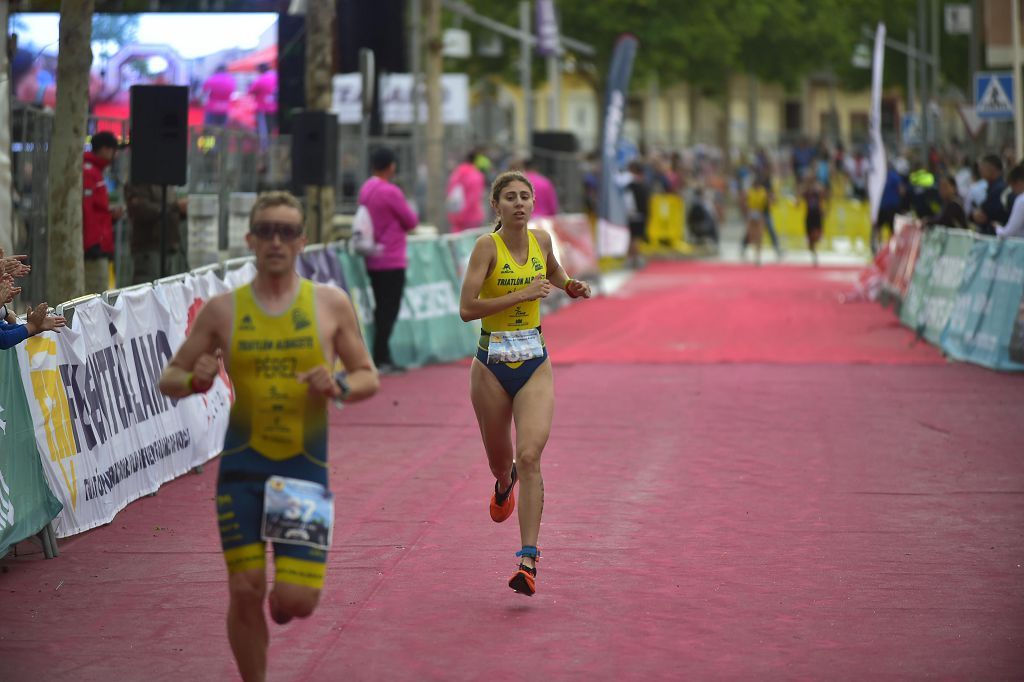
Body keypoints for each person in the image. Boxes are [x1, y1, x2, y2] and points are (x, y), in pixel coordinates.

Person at [158, 191, 379, 682]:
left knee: (296, 602)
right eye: (266, 232)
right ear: (250, 240)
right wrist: (196, 378)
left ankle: (286, 601)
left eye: (286, 232)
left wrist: (338, 383)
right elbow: (167, 380)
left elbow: (368, 376)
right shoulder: (222, 311)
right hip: (241, 469)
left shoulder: (330, 304)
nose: (276, 241)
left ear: (302, 241)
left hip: (303, 470)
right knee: (245, 588)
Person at [458, 170, 592, 596]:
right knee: (503, 462)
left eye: (525, 197)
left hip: (534, 362)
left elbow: (551, 271)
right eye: (509, 198)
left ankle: (528, 560)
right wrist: (521, 295)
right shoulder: (486, 247)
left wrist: (568, 284)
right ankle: (503, 483)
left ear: (534, 204)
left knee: (530, 455)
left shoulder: (542, 240)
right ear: (495, 206)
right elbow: (466, 308)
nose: (518, 203)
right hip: (490, 366)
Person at [358, 147, 419, 374]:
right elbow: (411, 220)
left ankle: (380, 354)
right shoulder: (390, 191)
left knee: (380, 308)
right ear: (392, 166)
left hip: (372, 256)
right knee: (388, 309)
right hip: (392, 258)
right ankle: (381, 355)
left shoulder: (366, 189)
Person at [83, 132, 123, 295]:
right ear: (105, 149)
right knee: (95, 296)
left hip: (99, 246)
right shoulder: (89, 172)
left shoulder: (96, 172)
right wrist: (92, 244)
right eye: (114, 150)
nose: (115, 155)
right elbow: (86, 210)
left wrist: (110, 216)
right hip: (94, 248)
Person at [125, 183, 186, 283]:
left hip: (169, 248)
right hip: (149, 249)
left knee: (170, 291)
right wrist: (175, 207)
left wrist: (180, 212)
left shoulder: (166, 183)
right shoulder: (139, 180)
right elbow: (141, 209)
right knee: (148, 290)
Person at [446, 151, 486, 232]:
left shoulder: (455, 174)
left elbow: (450, 193)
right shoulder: (476, 175)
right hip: (472, 219)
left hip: (456, 218)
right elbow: (474, 198)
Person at [972, 154, 1009, 236]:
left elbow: (984, 215)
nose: (980, 170)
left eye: (982, 167)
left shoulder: (999, 189)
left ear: (992, 168)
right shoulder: (992, 187)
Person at [248, 63, 277, 151]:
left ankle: (265, 150)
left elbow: (251, 90)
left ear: (260, 70)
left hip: (263, 108)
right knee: (272, 130)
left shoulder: (261, 79)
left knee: (264, 131)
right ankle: (271, 148)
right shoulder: (275, 76)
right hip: (275, 108)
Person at [801, 170, 827, 266]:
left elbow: (823, 198)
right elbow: (799, 199)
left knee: (816, 234)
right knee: (810, 238)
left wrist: (824, 210)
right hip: (809, 215)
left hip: (817, 214)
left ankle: (814, 248)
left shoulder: (818, 188)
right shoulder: (805, 189)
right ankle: (814, 253)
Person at [744, 176, 769, 265]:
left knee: (759, 235)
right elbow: (747, 203)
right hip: (751, 214)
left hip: (760, 213)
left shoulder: (763, 192)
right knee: (752, 236)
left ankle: (758, 255)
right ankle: (755, 252)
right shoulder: (750, 191)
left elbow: (765, 204)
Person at [996, 164, 1024, 239]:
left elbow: (1009, 232)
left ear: (1018, 183)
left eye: (1012, 187)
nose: (1013, 191)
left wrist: (997, 228)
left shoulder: (1021, 200)